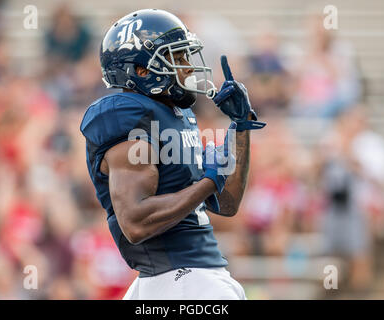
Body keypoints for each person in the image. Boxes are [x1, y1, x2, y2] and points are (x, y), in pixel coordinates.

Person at [80, 9, 265, 300]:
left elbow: (227, 202)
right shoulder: (128, 116)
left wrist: (241, 127)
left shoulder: (176, 115)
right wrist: (208, 181)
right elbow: (135, 222)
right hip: (178, 279)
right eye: (176, 58)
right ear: (141, 71)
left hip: (191, 275)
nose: (189, 67)